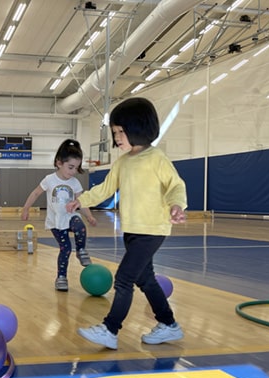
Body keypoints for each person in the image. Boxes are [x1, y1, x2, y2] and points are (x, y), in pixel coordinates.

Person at [68, 97, 187, 350]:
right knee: (146, 280)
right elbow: (105, 189)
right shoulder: (122, 162)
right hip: (132, 230)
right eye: (115, 132)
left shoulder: (157, 158)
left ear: (140, 127)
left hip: (152, 230)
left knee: (123, 279)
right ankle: (169, 325)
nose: (117, 137)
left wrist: (177, 205)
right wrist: (82, 200)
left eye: (121, 131)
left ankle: (110, 329)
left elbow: (176, 185)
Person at [21, 139, 97, 291]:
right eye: (70, 167)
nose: (73, 171)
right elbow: (36, 193)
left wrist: (89, 216)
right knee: (66, 248)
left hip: (70, 216)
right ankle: (61, 277)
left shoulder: (75, 183)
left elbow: (81, 201)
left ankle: (81, 250)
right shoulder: (49, 180)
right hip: (56, 221)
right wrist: (26, 208)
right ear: (59, 163)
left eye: (76, 168)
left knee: (80, 226)